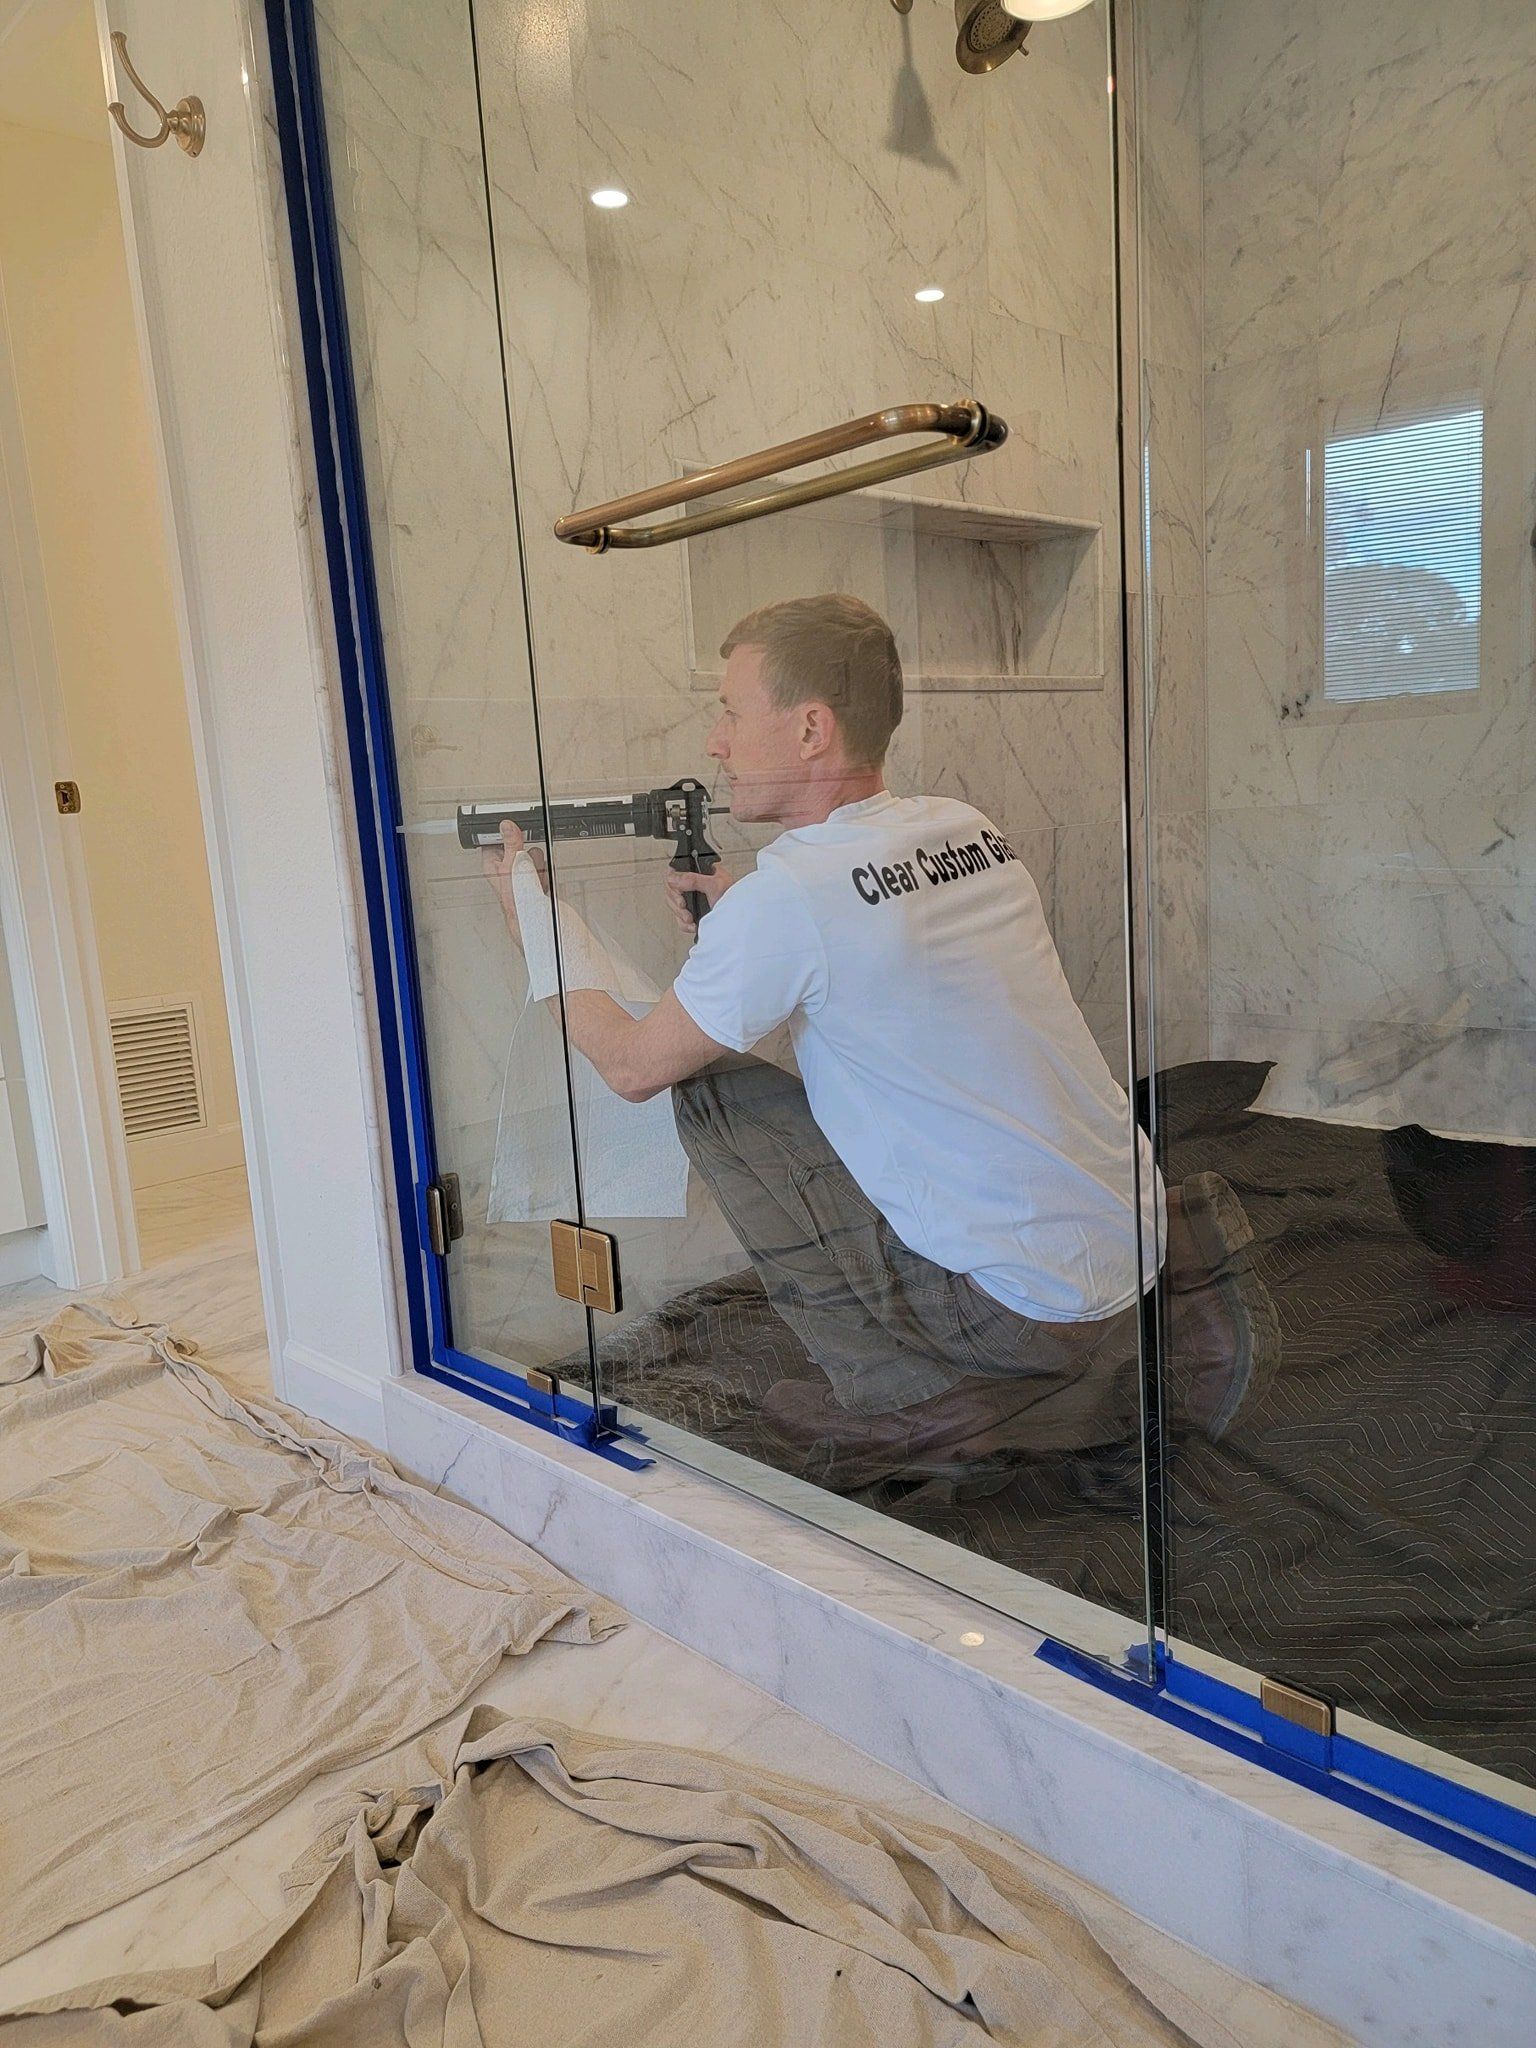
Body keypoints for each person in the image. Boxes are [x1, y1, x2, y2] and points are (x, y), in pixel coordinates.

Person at [485, 593, 1278, 1489]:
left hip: (1015, 1311)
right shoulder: (966, 829)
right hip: (1131, 1247)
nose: (716, 741)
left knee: (706, 1090)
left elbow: (631, 1066)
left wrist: (536, 930)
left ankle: (900, 1402)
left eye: (731, 712)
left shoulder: (787, 900)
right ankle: (1103, 1339)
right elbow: (883, 965)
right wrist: (740, 917)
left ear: (812, 728)